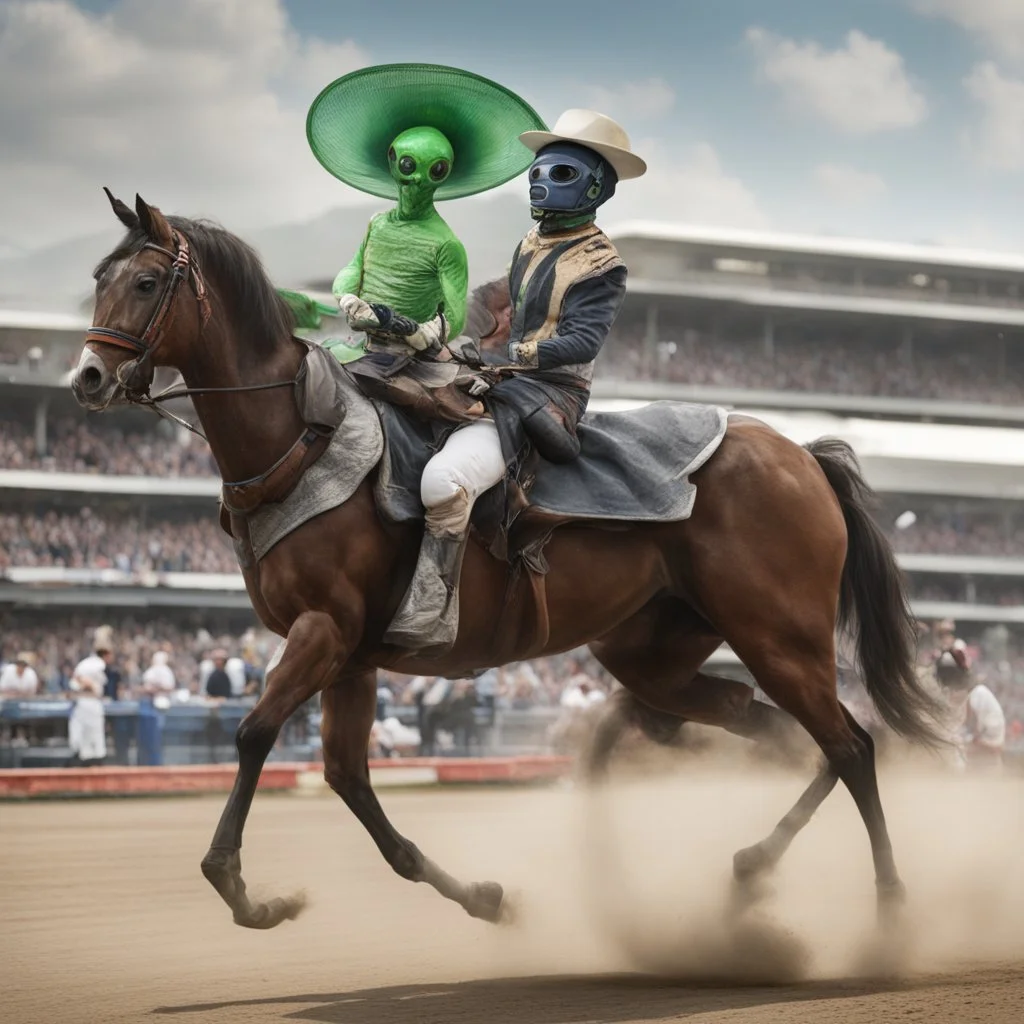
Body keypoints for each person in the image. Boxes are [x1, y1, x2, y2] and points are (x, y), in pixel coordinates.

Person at [385, 109, 647, 651]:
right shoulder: (531, 241)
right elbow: (491, 299)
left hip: (551, 392)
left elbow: (582, 342)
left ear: (597, 186)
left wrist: (511, 353)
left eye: (562, 174)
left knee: (442, 483)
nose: (543, 182)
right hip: (498, 373)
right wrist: (440, 324)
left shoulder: (603, 264)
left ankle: (432, 607)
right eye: (540, 171)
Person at [300, 63, 544, 416]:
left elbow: (455, 312)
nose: (415, 180)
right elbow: (354, 266)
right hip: (362, 344)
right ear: (393, 160)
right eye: (408, 165)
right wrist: (348, 296)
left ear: (443, 174)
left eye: (433, 170)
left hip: (410, 358)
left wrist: (424, 332)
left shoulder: (447, 244)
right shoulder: (377, 224)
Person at [934, 645, 1006, 772]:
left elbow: (996, 746)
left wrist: (964, 743)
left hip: (985, 774)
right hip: (961, 777)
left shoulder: (981, 696)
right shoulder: (953, 701)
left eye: (949, 676)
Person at [68, 649, 108, 767]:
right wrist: (84, 682)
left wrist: (89, 683)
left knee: (96, 736)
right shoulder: (80, 678)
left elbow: (98, 689)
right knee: (82, 737)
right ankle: (86, 759)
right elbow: (75, 684)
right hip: (84, 704)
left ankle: (96, 760)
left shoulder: (98, 677)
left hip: (94, 704)